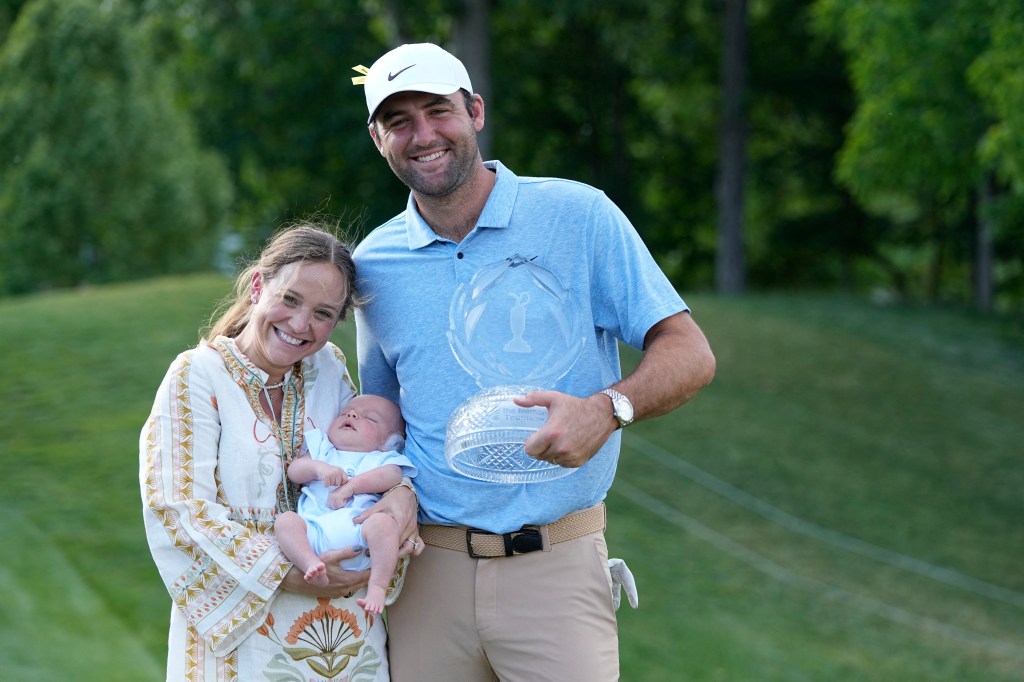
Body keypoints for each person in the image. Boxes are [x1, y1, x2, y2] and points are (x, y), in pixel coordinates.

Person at [350, 42, 717, 681]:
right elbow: (385, 422)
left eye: (438, 111)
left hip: (557, 566)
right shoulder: (375, 265)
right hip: (425, 574)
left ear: (476, 112)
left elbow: (690, 351)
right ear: (378, 138)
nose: (424, 135)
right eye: (399, 121)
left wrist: (607, 410)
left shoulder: (579, 216)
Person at [140, 223, 419, 681]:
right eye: (290, 300)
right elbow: (175, 508)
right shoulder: (198, 375)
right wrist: (279, 571)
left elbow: (373, 453)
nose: (301, 325)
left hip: (347, 637)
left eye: (323, 313)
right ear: (256, 286)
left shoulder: (327, 368)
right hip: (246, 634)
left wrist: (400, 494)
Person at [274, 394, 416, 614]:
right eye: (346, 412)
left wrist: (352, 486)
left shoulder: (379, 458)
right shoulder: (323, 449)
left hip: (360, 534)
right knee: (286, 522)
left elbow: (393, 476)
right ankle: (311, 564)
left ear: (390, 441)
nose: (352, 415)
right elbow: (294, 472)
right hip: (312, 532)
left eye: (370, 418)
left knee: (383, 524)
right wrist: (319, 468)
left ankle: (377, 586)